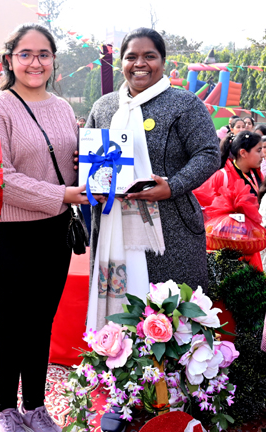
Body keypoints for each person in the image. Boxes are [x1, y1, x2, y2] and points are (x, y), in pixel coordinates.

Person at [0, 23, 90, 432]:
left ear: (53, 60)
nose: (35, 62)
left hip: (53, 233)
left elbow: (71, 162)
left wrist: (88, 167)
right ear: (10, 59)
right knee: (9, 327)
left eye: (43, 54)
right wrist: (62, 193)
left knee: (41, 323)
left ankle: (36, 406)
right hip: (7, 235)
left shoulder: (62, 108)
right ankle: (6, 410)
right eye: (25, 54)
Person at [85, 27, 220, 335]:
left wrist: (173, 185)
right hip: (112, 223)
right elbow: (89, 157)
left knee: (173, 322)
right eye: (131, 57)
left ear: (163, 61)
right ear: (121, 62)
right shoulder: (104, 107)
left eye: (149, 56)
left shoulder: (184, 104)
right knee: (120, 327)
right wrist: (88, 175)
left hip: (172, 230)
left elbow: (209, 153)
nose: (140, 64)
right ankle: (119, 361)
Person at [198, 131, 264, 269]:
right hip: (226, 248)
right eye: (258, 151)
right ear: (243, 153)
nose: (262, 155)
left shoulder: (257, 175)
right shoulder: (221, 176)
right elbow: (202, 205)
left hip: (250, 246)